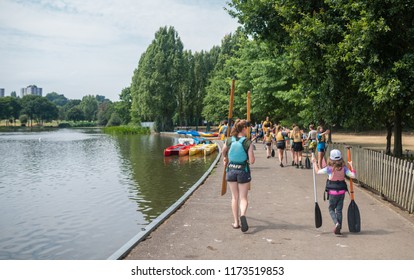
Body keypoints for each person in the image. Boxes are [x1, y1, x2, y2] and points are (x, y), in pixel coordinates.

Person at [222, 119, 255, 232]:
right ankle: (243, 215)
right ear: (244, 128)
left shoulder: (229, 140)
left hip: (231, 170)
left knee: (234, 197)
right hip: (243, 171)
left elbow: (223, 151)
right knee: (243, 198)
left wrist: (225, 158)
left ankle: (236, 222)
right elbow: (252, 160)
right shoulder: (247, 142)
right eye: (247, 128)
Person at [313, 149, 356, 235]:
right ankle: (339, 227)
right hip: (341, 193)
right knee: (339, 210)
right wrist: (351, 166)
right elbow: (353, 176)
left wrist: (314, 162)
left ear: (331, 159)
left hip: (332, 193)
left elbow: (317, 171)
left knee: (331, 209)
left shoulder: (329, 169)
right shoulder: (344, 168)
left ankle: (337, 224)